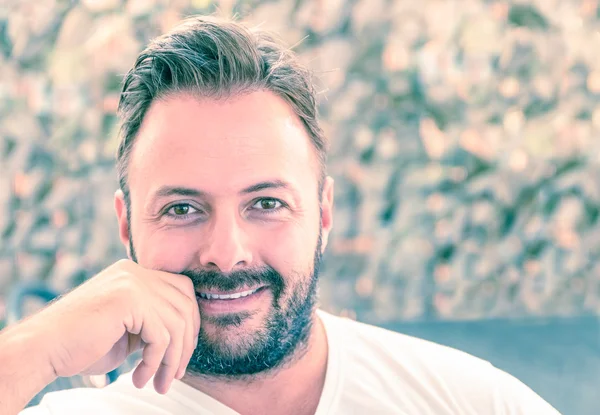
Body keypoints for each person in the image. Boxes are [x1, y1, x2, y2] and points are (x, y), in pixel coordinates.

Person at [0, 15, 560, 415]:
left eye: (265, 203)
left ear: (323, 212)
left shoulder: (462, 400)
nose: (226, 250)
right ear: (127, 225)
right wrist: (36, 349)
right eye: (182, 208)